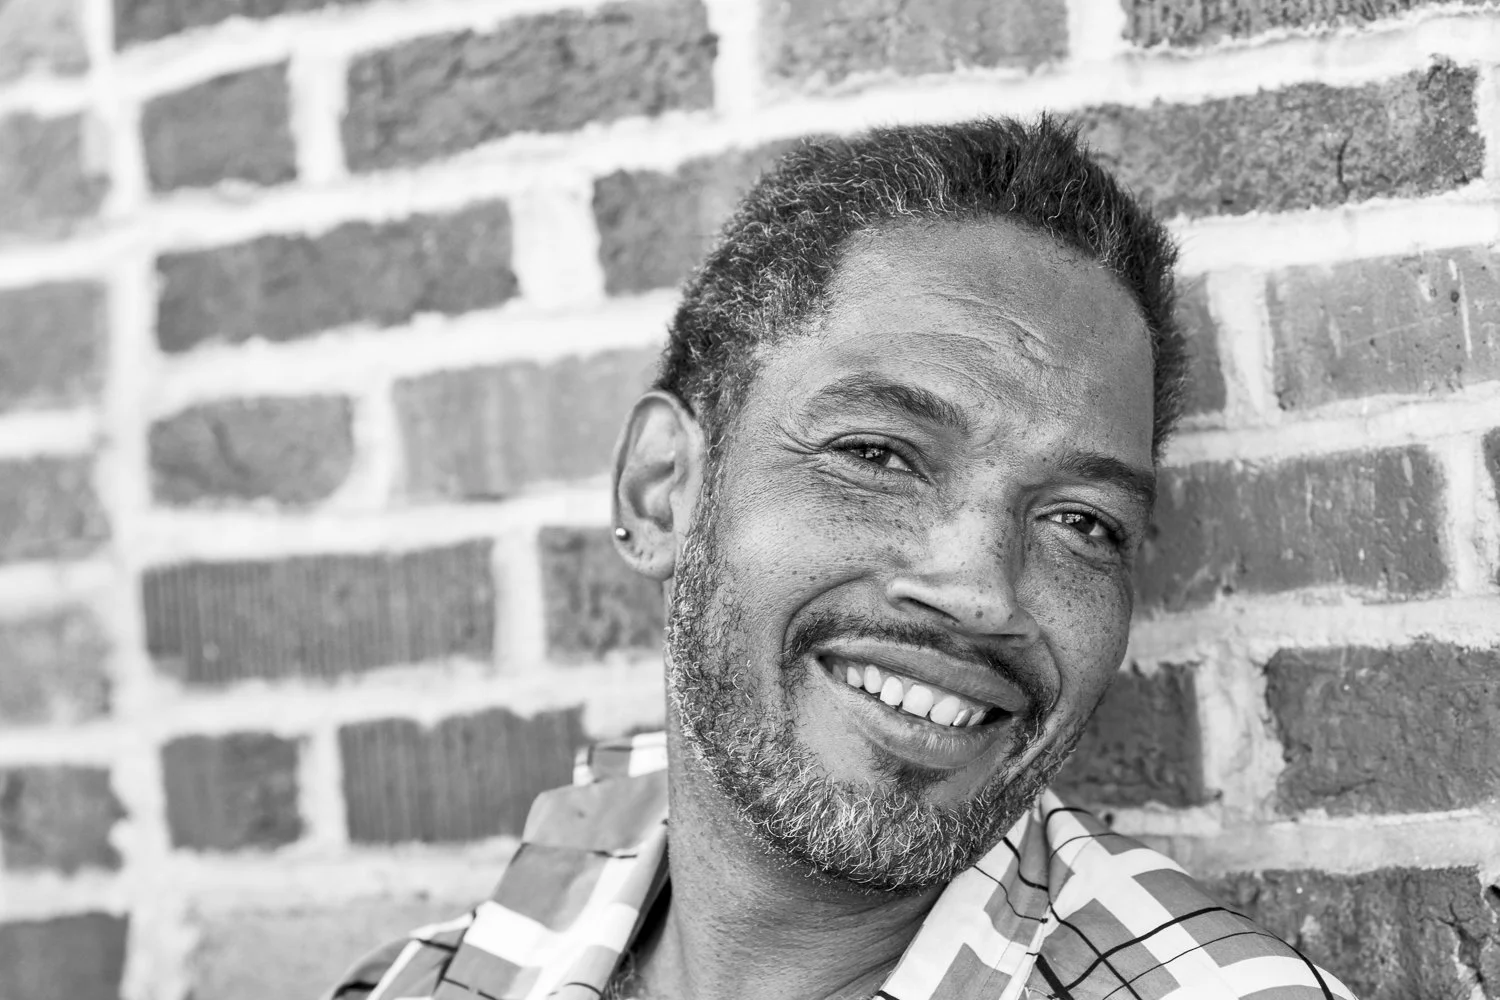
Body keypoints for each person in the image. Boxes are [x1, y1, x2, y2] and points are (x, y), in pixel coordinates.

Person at [324, 117, 1358, 1000]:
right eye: (877, 455)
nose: (981, 589)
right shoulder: (434, 980)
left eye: (1082, 521)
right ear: (661, 489)